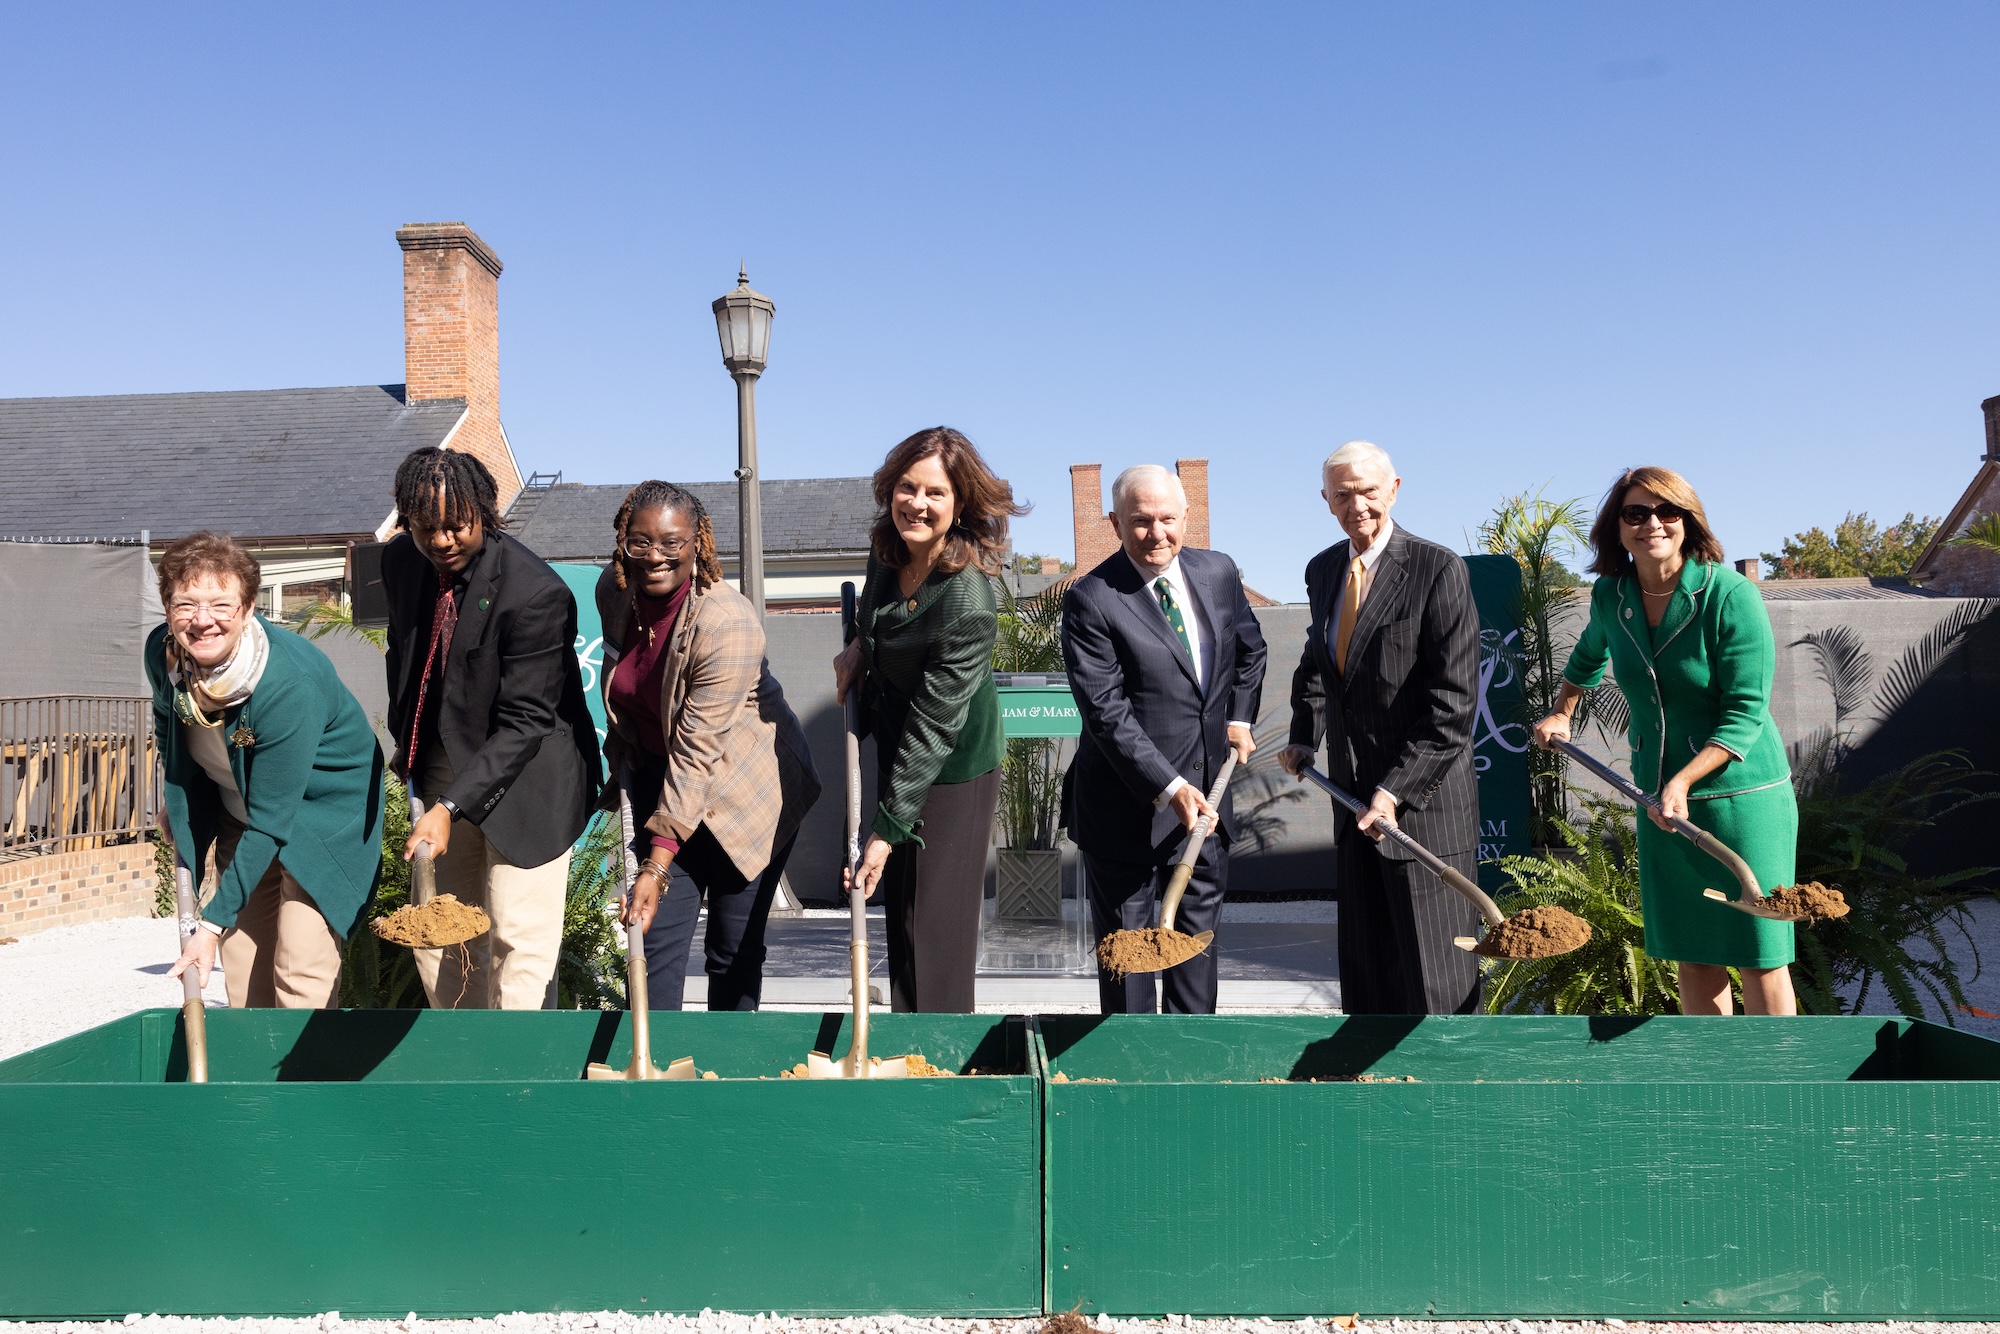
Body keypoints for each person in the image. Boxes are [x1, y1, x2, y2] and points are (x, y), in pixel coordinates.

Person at [1532, 467, 1798, 1015]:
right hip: (1659, 801)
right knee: (1693, 952)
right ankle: (1714, 1085)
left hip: (1741, 800)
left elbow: (1745, 713)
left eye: (1667, 512)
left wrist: (1682, 779)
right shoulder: (1612, 595)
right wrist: (1562, 710)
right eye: (1636, 513)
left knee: (1759, 952)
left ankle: (1778, 1087)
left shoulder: (1731, 595)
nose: (1652, 523)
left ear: (1688, 522)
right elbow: (1588, 656)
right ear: (1618, 528)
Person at [381, 447, 601, 1010]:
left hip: (529, 780)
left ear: (486, 512)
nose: (443, 541)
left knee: (514, 942)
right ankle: (461, 1065)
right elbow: (403, 654)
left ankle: (517, 1082)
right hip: (441, 768)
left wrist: (449, 808)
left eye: (458, 525)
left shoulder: (535, 594)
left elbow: (526, 721)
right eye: (427, 528)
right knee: (443, 939)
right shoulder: (402, 562)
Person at [596, 481, 821, 1010]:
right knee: (650, 950)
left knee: (732, 952)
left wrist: (655, 866)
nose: (656, 557)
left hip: (747, 796)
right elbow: (625, 686)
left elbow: (699, 751)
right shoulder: (615, 590)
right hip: (664, 783)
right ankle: (656, 1078)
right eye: (641, 542)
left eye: (672, 543)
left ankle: (730, 1081)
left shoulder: (726, 622)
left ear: (698, 542)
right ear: (623, 541)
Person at [1277, 441, 1482, 1015]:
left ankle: (1446, 1097)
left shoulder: (1437, 569)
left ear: (1394, 489)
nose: (1357, 504)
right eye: (1343, 494)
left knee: (1435, 985)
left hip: (1422, 815)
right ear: (1326, 501)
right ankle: (1371, 1097)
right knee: (1367, 982)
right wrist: (1302, 735)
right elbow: (1318, 667)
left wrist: (1394, 791)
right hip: (1352, 806)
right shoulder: (1323, 570)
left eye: (1368, 490)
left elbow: (1453, 707)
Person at [1063, 464, 1267, 1015]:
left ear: (1186, 517)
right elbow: (1105, 711)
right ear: (1114, 522)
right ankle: (1129, 1073)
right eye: (1140, 522)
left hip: (1206, 805)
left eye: (1168, 520)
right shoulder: (1092, 599)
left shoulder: (1217, 572)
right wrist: (1169, 787)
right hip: (1126, 810)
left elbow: (1251, 650)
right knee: (1130, 963)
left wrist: (1240, 719)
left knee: (1194, 954)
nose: (1157, 534)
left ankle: (1189, 1066)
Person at [833, 426, 1022, 1013]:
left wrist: (885, 833)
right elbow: (874, 614)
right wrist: (860, 648)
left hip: (954, 761)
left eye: (934, 493)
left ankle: (945, 1060)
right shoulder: (888, 547)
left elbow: (936, 725)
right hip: (898, 734)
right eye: (907, 488)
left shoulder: (968, 598)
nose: (916, 503)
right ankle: (904, 1044)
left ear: (960, 503)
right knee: (902, 916)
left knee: (936, 922)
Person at [154, 532, 384, 1008]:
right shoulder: (165, 653)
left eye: (221, 604)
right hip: (242, 807)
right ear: (166, 606)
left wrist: (208, 926)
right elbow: (167, 723)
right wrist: (171, 801)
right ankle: (255, 1079)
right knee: (243, 967)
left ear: (250, 606)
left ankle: (303, 1081)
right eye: (185, 604)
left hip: (320, 816)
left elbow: (273, 817)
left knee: (299, 968)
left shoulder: (286, 683)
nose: (202, 621)